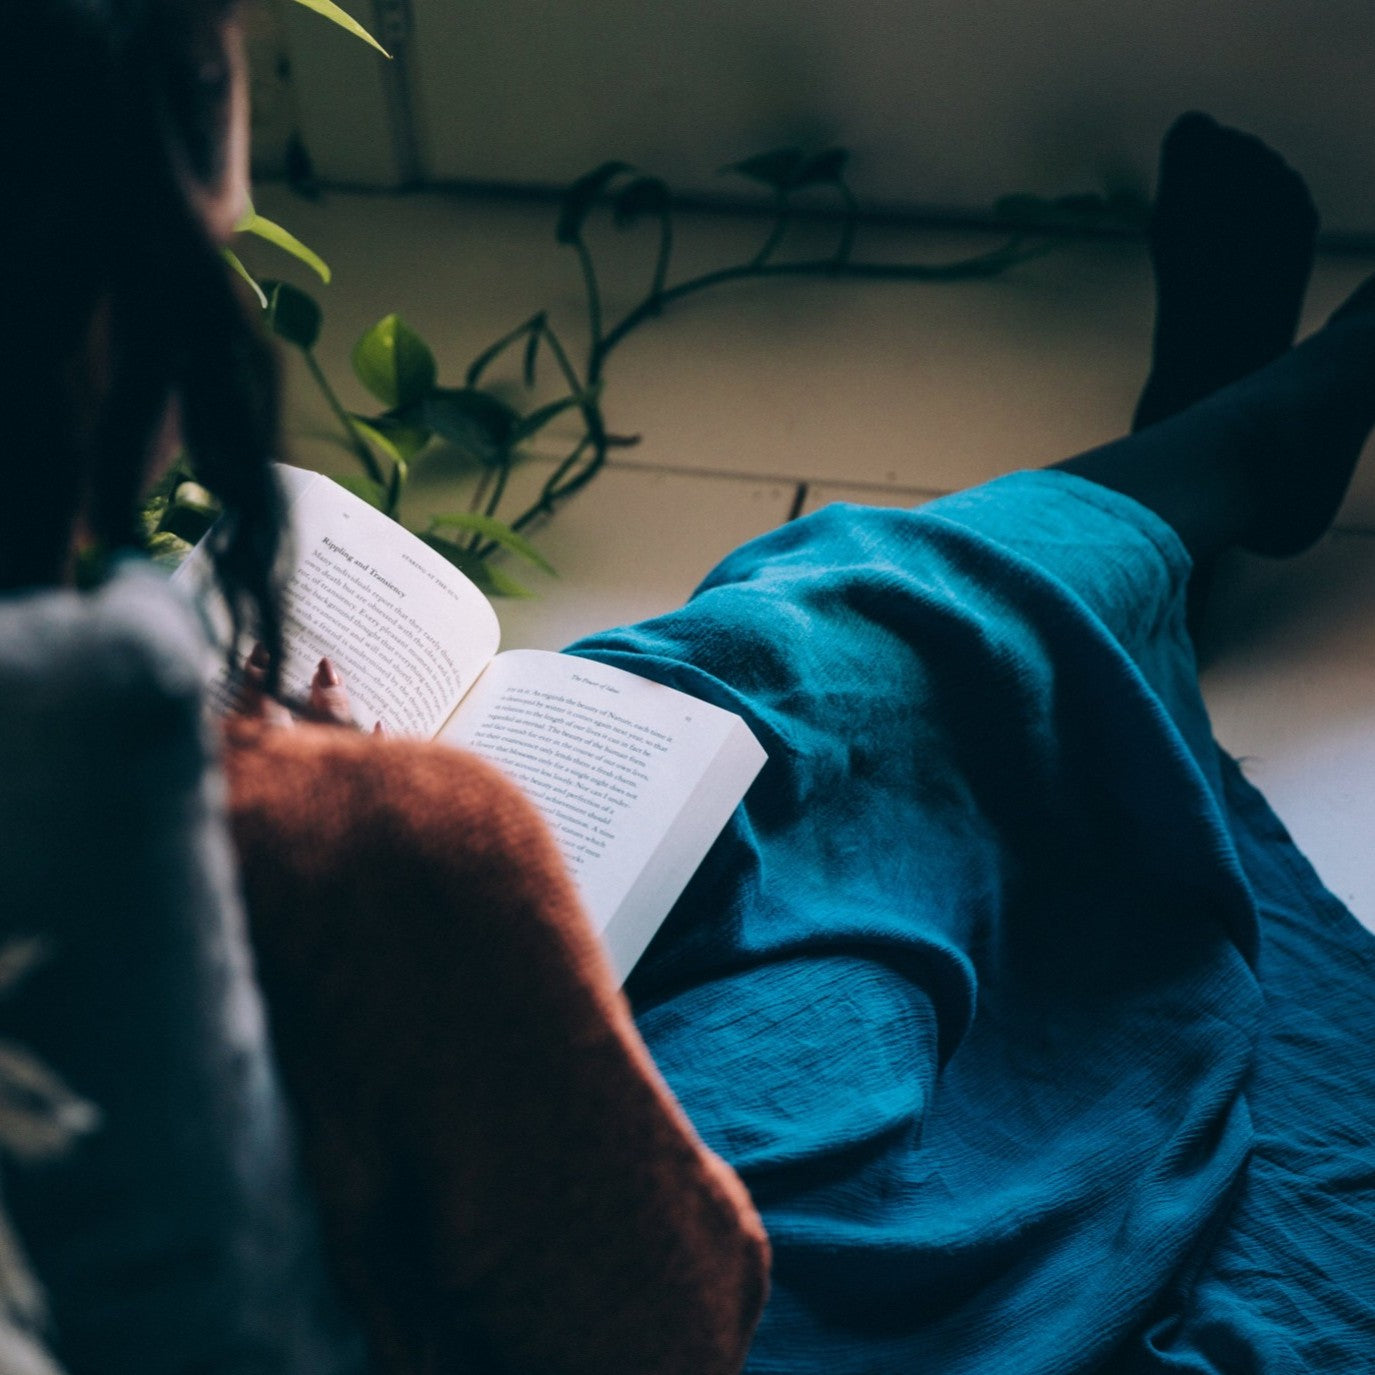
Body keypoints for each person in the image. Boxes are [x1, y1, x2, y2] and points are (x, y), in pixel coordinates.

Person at [1, 0, 1373, 1370]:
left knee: (756, 682)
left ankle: (1212, 464)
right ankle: (1236, 453)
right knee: (819, 757)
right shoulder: (361, 844)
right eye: (216, 259)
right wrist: (367, 854)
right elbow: (664, 1308)